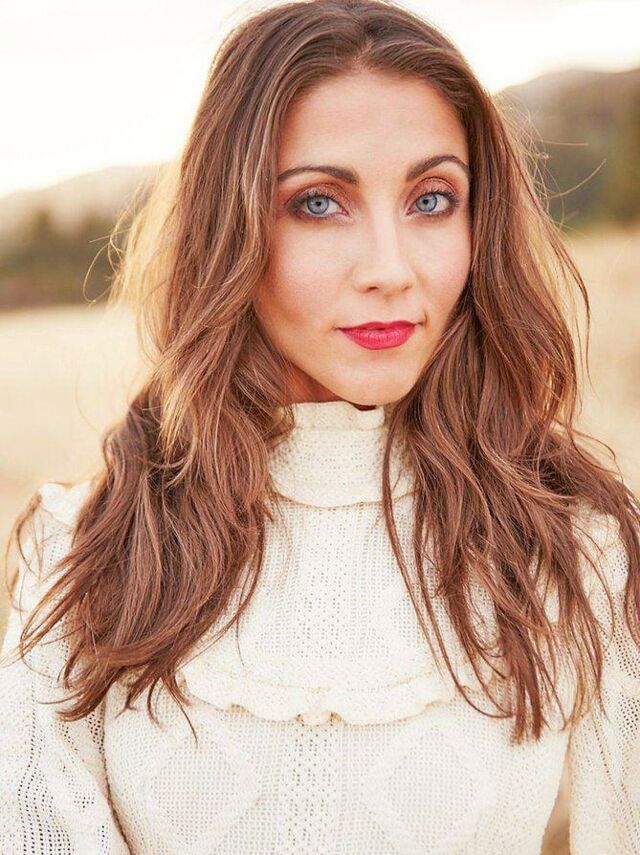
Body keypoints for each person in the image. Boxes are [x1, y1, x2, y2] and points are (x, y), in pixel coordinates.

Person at [2, 0, 639, 852]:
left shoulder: (580, 545)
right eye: (317, 204)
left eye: (432, 199)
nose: (389, 269)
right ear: (230, 229)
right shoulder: (83, 551)